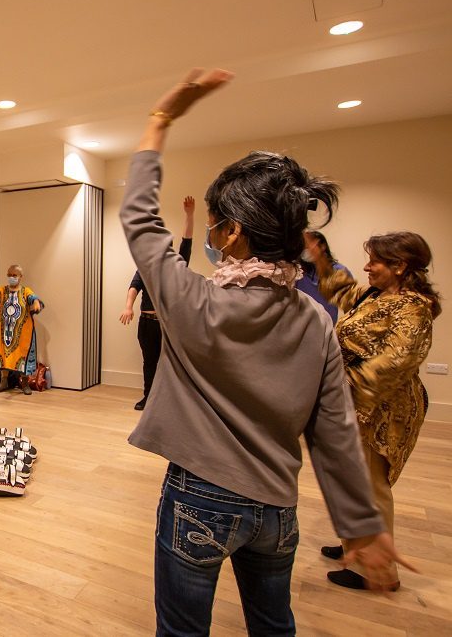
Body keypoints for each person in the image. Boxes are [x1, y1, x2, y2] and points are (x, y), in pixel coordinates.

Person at [121, 69, 413, 635]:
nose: (208, 233)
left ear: (231, 233)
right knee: (274, 627)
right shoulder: (315, 320)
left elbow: (139, 217)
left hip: (198, 500)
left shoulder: (192, 301)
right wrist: (359, 526)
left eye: (211, 224)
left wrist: (160, 119)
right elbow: (334, 432)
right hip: (277, 510)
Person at [314, 231, 440, 591]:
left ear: (400, 267)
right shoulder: (377, 295)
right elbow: (343, 291)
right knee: (351, 479)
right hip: (354, 401)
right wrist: (320, 256)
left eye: (375, 261)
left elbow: (396, 362)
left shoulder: (413, 307)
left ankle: (377, 571)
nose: (367, 267)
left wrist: (339, 386)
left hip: (381, 410)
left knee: (371, 485)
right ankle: (354, 545)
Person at [120, 196, 195, 409]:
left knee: (171, 363)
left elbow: (187, 243)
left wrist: (189, 216)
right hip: (147, 323)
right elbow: (134, 286)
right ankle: (149, 398)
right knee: (149, 362)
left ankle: (171, 402)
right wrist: (128, 306)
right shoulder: (146, 267)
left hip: (167, 323)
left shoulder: (176, 265)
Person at [0, 264, 44, 395]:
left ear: (20, 277)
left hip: (23, 334)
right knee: (3, 356)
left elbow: (33, 298)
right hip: (5, 334)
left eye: (14, 275)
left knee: (23, 357)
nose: (11, 277)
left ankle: (24, 383)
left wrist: (36, 302)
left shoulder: (26, 291)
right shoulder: (3, 290)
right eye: (9, 275)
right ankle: (3, 382)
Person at [296, 230, 350, 323]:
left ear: (323, 246)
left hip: (328, 325)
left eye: (309, 245)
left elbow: (349, 304)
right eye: (304, 247)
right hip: (303, 325)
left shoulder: (339, 270)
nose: (306, 250)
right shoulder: (298, 272)